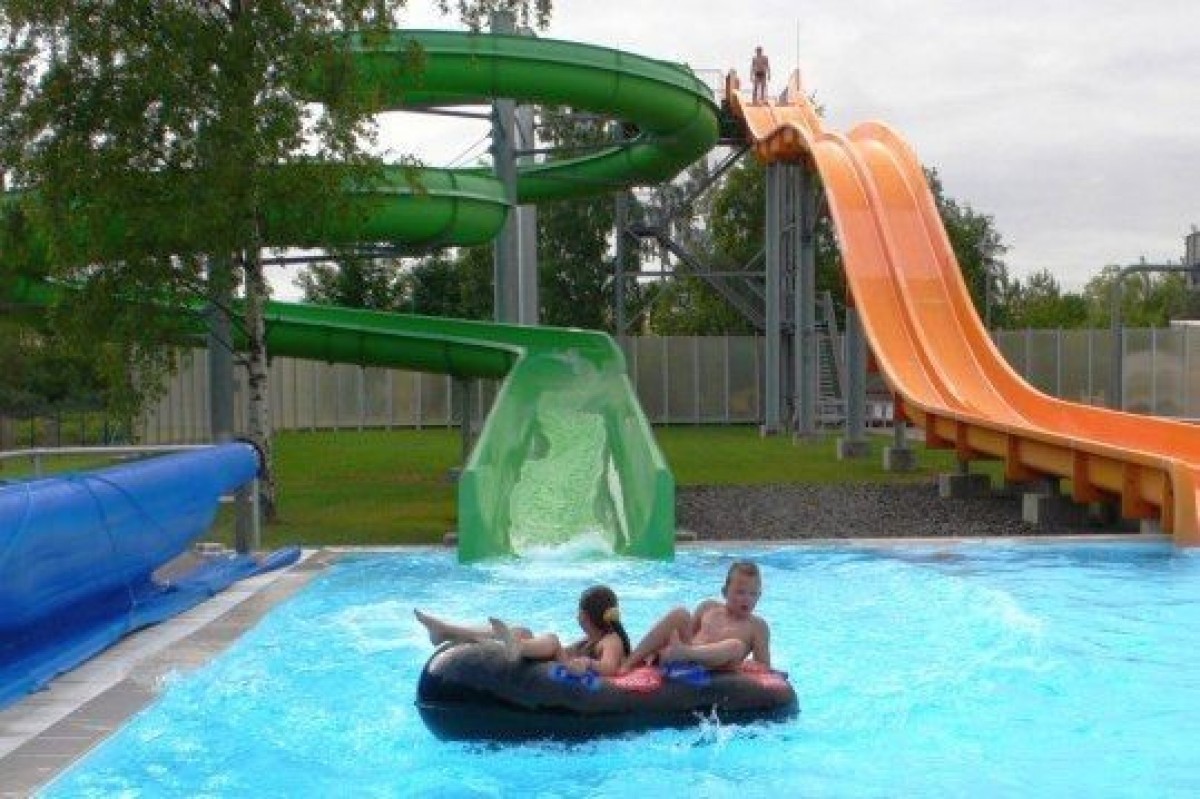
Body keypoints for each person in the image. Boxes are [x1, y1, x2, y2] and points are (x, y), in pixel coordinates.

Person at [414, 584, 631, 676]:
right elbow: (567, 652)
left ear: (584, 615)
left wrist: (588, 664)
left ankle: (517, 646)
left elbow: (610, 667)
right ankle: (447, 631)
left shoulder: (611, 640)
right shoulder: (589, 640)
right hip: (567, 665)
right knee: (522, 631)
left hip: (580, 676)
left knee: (552, 640)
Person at [624, 560, 770, 670]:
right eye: (740, 592)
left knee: (736, 646)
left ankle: (685, 653)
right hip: (684, 659)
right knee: (680, 613)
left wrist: (751, 666)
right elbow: (686, 634)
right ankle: (629, 663)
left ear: (759, 596)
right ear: (725, 592)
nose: (747, 599)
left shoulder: (757, 626)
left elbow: (764, 666)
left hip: (716, 666)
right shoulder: (708, 607)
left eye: (753, 594)